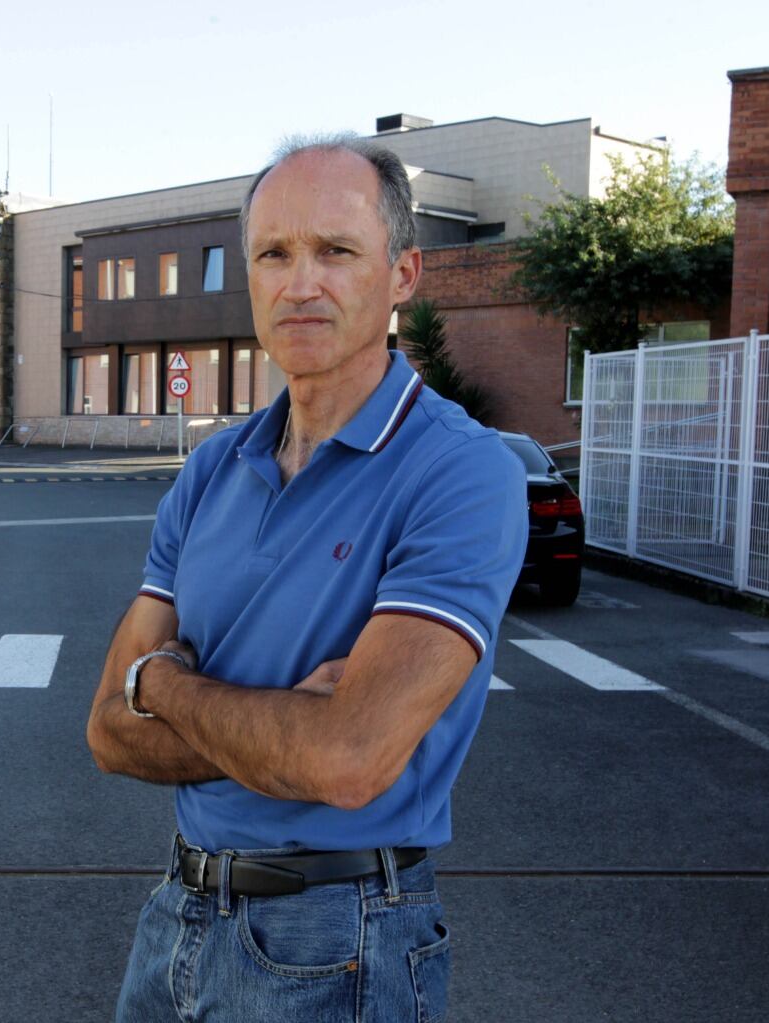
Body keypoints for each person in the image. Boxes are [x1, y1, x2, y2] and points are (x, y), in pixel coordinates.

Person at [85, 134, 527, 1022]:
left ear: (402, 274)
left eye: (336, 250)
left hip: (341, 936)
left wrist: (167, 682)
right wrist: (288, 725)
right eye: (274, 254)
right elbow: (106, 730)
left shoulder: (459, 472)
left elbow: (349, 759)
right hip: (178, 914)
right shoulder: (212, 470)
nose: (301, 282)